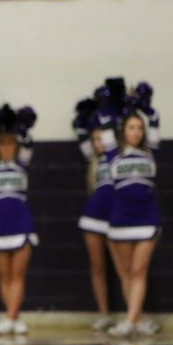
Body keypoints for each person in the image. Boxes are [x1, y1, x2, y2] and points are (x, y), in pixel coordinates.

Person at [98, 83, 161, 338]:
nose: (136, 132)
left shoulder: (151, 151)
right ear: (124, 130)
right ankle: (137, 318)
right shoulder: (114, 154)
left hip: (147, 218)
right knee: (125, 272)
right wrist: (111, 102)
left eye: (139, 128)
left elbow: (155, 119)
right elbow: (104, 122)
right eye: (132, 127)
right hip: (120, 219)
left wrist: (144, 106)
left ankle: (129, 321)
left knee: (138, 271)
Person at [0, 105, 38, 335]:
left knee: (17, 275)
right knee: (4, 276)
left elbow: (29, 142)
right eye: (2, 143)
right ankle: (12, 316)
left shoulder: (22, 165)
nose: (6, 147)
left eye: (10, 143)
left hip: (21, 223)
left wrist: (19, 125)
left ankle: (11, 316)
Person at [73, 98, 115, 331]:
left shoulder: (119, 155)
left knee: (125, 269)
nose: (98, 143)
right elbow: (79, 129)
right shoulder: (93, 159)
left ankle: (135, 315)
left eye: (101, 138)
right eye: (95, 139)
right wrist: (89, 111)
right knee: (97, 266)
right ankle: (104, 313)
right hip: (93, 217)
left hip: (119, 217)